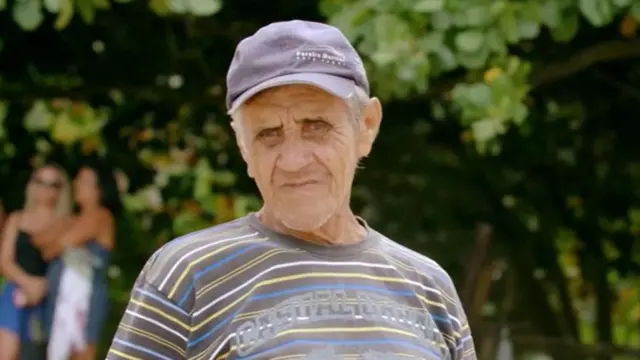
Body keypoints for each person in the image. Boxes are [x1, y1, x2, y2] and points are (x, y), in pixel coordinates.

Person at [108, 20, 477, 360]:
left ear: (366, 126)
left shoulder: (429, 286)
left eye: (316, 126)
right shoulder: (188, 276)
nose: (294, 160)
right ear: (244, 149)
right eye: (268, 134)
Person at [35, 162, 122, 360]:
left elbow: (55, 247)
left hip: (86, 301)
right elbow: (39, 241)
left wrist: (60, 236)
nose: (76, 185)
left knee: (81, 353)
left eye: (84, 182)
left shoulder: (101, 216)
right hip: (60, 300)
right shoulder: (73, 219)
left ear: (99, 189)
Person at [0, 164, 73, 360]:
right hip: (16, 291)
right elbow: (4, 261)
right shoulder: (17, 218)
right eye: (40, 182)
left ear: (61, 190)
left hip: (49, 298)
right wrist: (28, 284)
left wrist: (41, 287)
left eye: (53, 184)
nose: (46, 189)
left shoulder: (66, 223)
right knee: (6, 354)